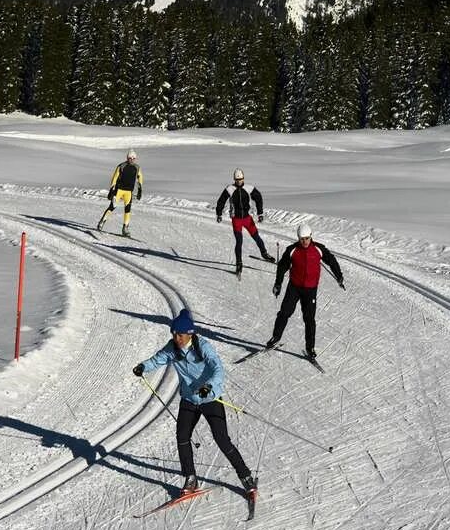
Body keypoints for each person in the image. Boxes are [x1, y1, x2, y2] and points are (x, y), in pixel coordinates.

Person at [133, 308, 257, 498]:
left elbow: (218, 369)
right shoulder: (172, 348)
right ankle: (191, 478)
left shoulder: (203, 346)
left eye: (179, 334)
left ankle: (246, 476)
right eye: (174, 333)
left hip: (209, 398)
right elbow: (156, 360)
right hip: (189, 399)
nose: (176, 337)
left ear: (189, 333)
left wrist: (208, 386)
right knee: (182, 436)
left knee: (222, 439)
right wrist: (143, 366)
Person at [266, 224, 344, 362]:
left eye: (307, 238)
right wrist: (278, 283)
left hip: (310, 290)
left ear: (311, 236)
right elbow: (282, 266)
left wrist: (339, 276)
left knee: (309, 319)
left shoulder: (319, 249)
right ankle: (276, 337)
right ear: (298, 238)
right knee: (284, 312)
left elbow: (332, 261)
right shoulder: (292, 250)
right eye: (302, 239)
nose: (305, 242)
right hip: (294, 287)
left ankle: (310, 348)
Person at [215, 168, 274, 275]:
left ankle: (264, 253)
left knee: (256, 236)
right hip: (236, 219)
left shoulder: (249, 188)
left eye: (241, 179)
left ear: (243, 178)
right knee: (239, 241)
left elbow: (258, 197)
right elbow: (221, 201)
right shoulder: (230, 189)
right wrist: (219, 213)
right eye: (237, 180)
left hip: (247, 218)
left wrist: (260, 213)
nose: (239, 181)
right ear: (234, 179)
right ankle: (239, 263)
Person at [98, 149, 143, 236]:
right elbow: (114, 178)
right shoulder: (121, 166)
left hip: (128, 192)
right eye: (130, 158)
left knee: (127, 210)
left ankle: (125, 228)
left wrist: (140, 190)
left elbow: (140, 178)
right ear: (127, 157)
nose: (132, 159)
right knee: (112, 207)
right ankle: (102, 221)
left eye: (133, 158)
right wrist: (111, 190)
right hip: (119, 190)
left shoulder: (137, 168)